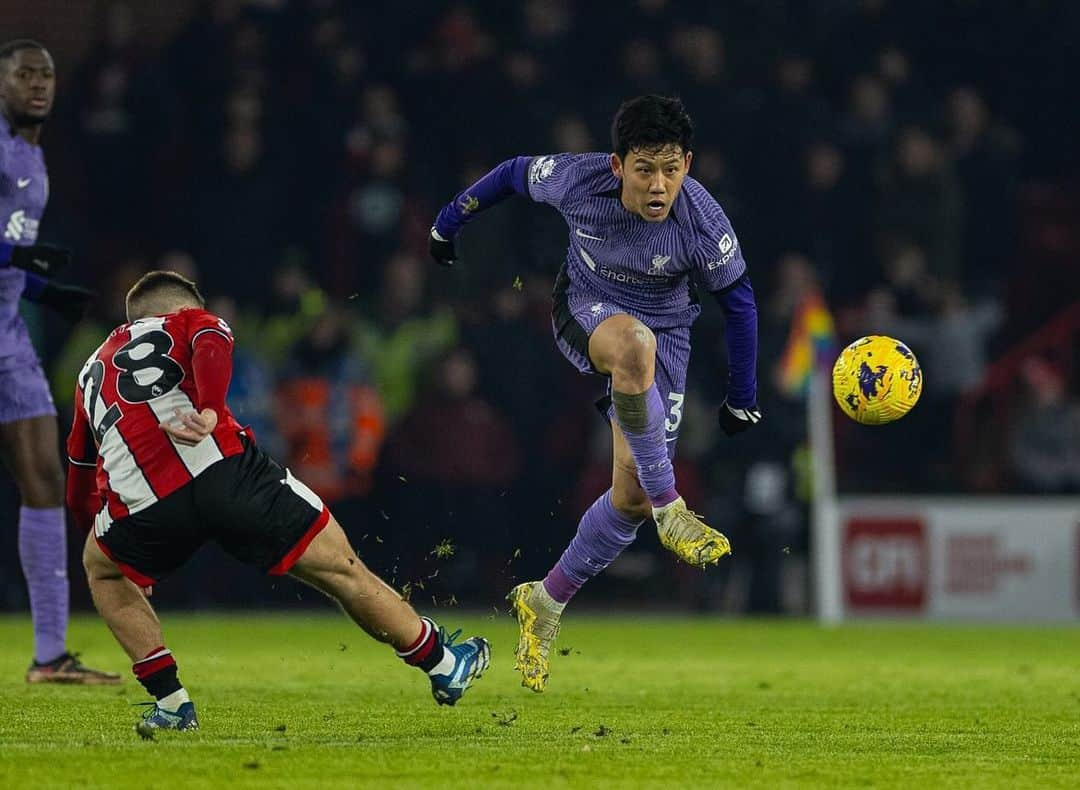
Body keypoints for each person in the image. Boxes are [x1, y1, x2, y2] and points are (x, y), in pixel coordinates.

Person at [429, 95, 760, 691]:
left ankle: (545, 600)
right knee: (633, 348)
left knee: (627, 498)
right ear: (617, 166)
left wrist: (742, 394)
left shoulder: (705, 223)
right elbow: (510, 175)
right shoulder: (577, 179)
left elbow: (738, 303)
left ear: (688, 163)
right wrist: (448, 222)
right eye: (644, 169)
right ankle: (673, 509)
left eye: (672, 168)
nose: (659, 185)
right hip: (585, 309)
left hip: (671, 335)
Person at [66, 271, 490, 731]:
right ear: (183, 305)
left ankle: (171, 702)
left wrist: (116, 550)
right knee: (342, 570)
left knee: (100, 567)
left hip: (144, 503)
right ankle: (443, 664)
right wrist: (209, 407)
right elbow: (212, 338)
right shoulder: (191, 321)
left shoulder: (91, 370)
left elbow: (80, 472)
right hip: (226, 473)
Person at [0, 39, 113, 684]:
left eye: (46, 74)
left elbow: (11, 255)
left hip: (11, 339)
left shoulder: (34, 160)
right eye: (24, 74)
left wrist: (42, 288)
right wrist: (19, 263)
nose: (38, 84)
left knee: (45, 479)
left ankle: (49, 655)